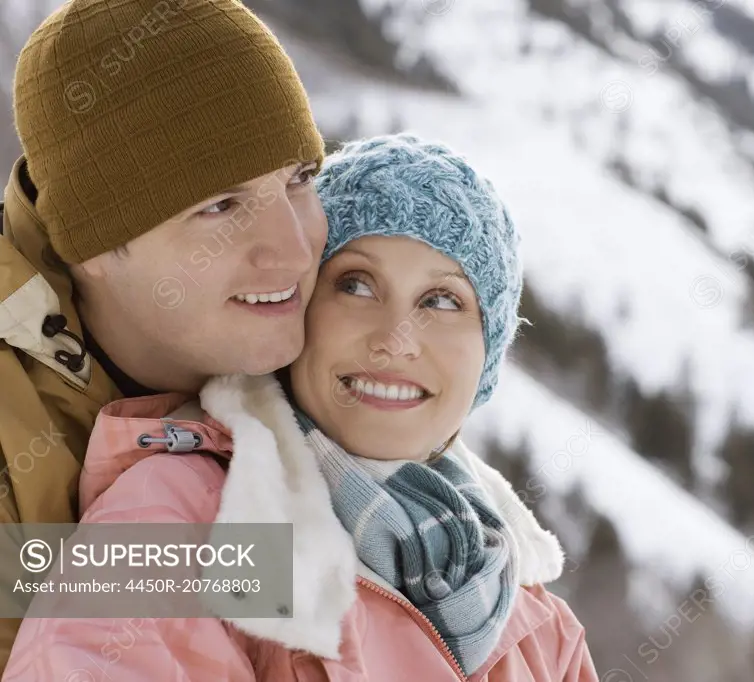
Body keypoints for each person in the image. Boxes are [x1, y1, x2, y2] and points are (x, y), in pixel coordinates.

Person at [3, 134, 598, 681]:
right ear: (298, 308)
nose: (396, 338)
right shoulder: (174, 524)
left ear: (487, 355)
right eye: (356, 285)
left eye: (442, 300)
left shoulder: (541, 632)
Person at [0, 0, 326, 669]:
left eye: (298, 180)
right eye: (221, 207)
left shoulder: (345, 332)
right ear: (87, 243)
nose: (294, 253)